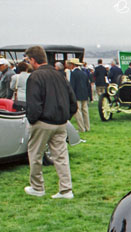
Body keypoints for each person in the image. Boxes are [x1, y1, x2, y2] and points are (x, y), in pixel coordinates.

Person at [24, 45, 77, 199]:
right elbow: (72, 100)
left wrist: (33, 119)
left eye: (28, 60)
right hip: (61, 122)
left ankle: (37, 187)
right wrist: (66, 116)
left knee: (35, 155)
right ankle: (66, 190)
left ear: (33, 60)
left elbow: (33, 103)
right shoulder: (59, 75)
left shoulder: (35, 77)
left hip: (42, 121)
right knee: (61, 157)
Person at [68, 58, 91, 133]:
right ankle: (87, 127)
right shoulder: (83, 73)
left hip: (77, 95)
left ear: (73, 65)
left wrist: (71, 96)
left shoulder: (73, 73)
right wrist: (89, 95)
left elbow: (72, 86)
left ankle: (81, 128)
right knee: (85, 111)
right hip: (84, 94)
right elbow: (88, 85)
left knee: (78, 112)